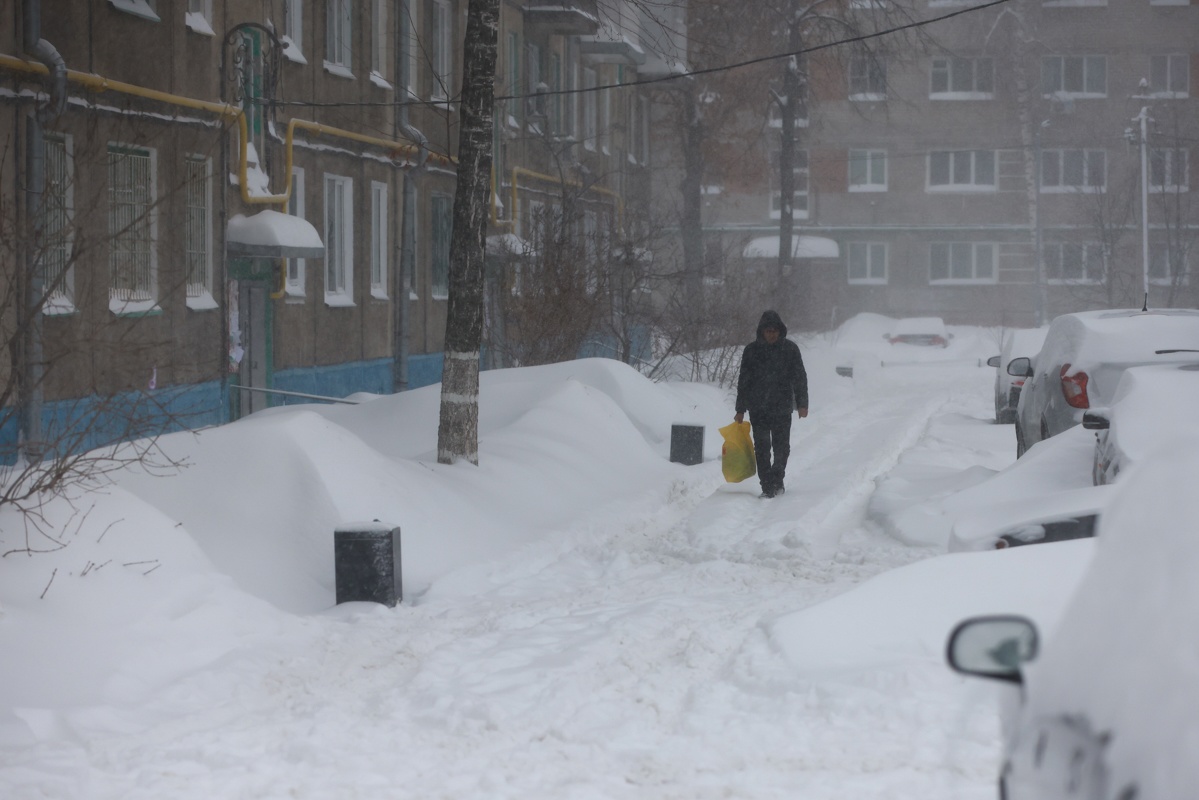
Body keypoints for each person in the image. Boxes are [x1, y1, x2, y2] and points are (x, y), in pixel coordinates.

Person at [734, 310, 808, 498]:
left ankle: (777, 476)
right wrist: (740, 409)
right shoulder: (751, 351)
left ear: (780, 330)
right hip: (758, 408)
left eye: (775, 330)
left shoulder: (790, 349)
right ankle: (766, 484)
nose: (772, 334)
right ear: (762, 331)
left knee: (782, 447)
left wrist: (802, 403)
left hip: (782, 407)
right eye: (768, 331)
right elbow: (744, 380)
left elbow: (800, 378)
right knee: (762, 448)